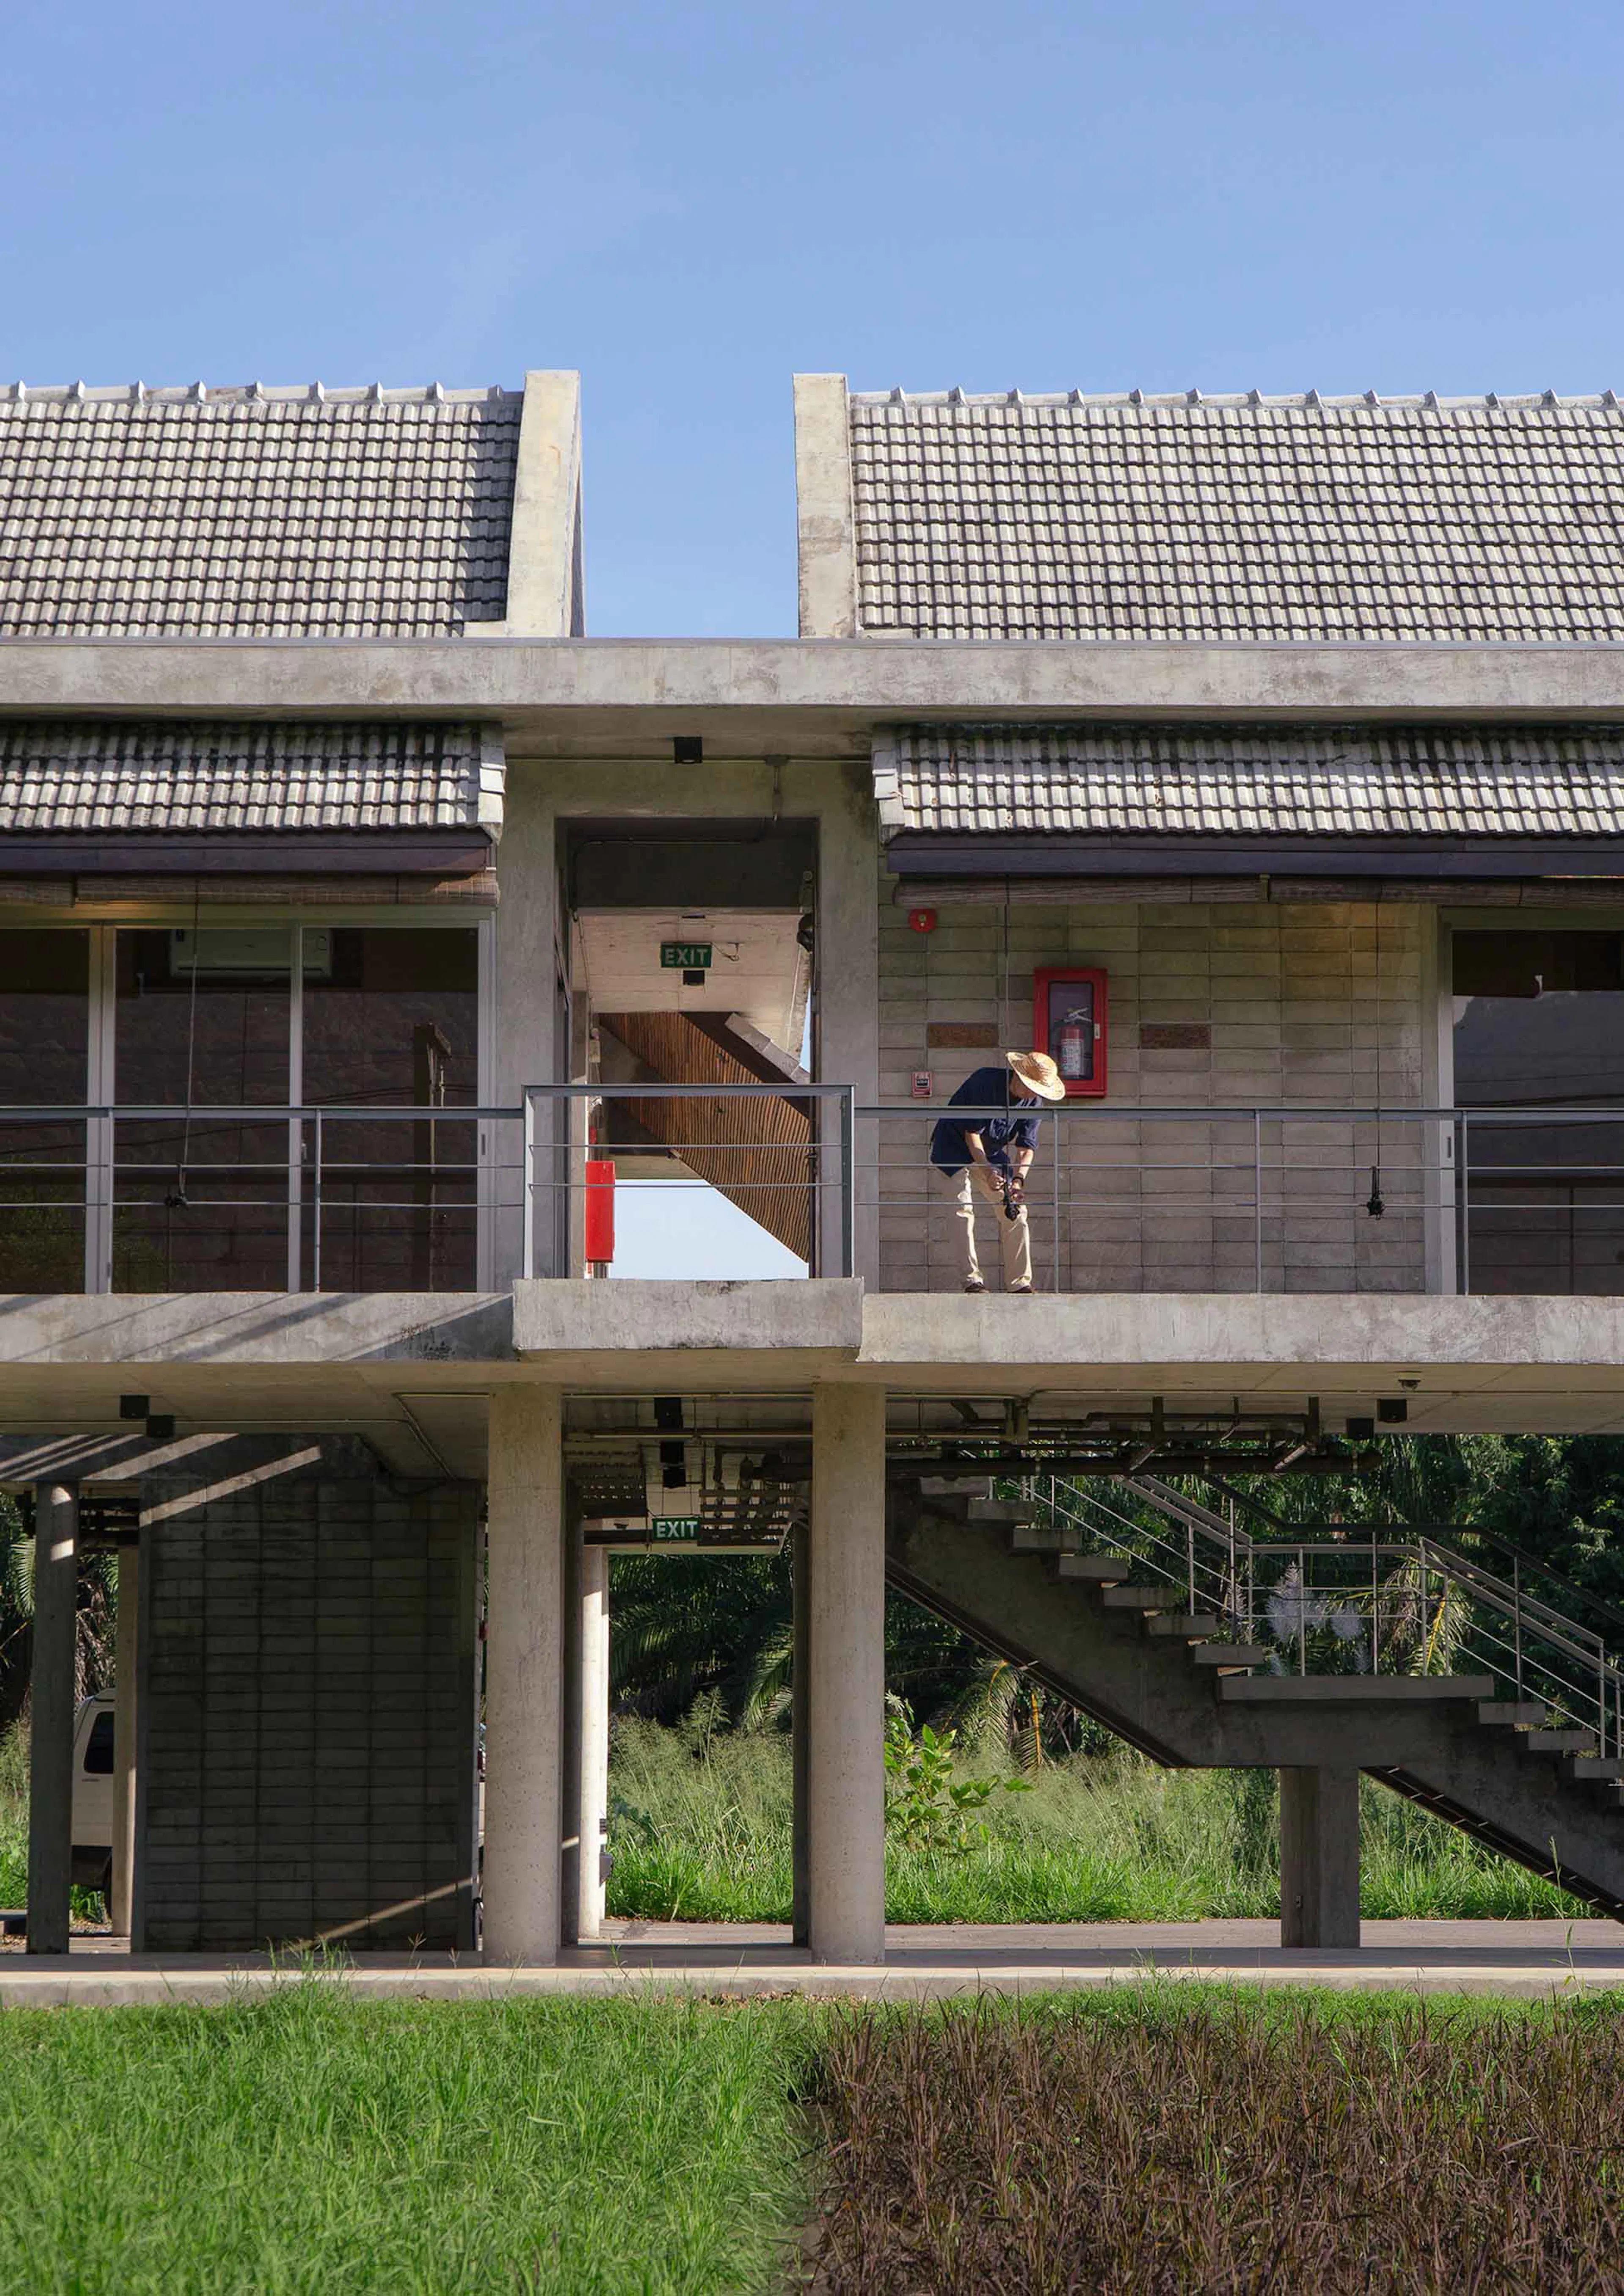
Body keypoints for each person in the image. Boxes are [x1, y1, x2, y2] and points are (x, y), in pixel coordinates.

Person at [928, 1049, 1066, 1294]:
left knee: (1016, 1211)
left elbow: (1026, 1148)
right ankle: (972, 1282)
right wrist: (988, 1172)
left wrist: (1018, 1181)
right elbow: (972, 1135)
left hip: (991, 1152)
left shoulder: (1034, 1102)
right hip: (953, 1149)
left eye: (1039, 1089)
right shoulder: (985, 1082)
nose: (1034, 1093)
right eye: (1032, 1086)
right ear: (1019, 1076)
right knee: (963, 1210)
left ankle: (1020, 1284)